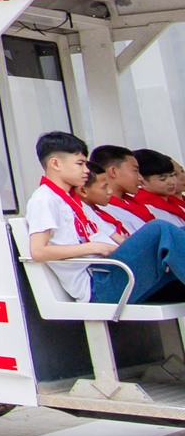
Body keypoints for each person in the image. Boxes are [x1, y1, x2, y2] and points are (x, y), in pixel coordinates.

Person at [26, 130, 185, 305]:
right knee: (160, 228)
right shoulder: (44, 200)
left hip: (113, 270)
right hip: (97, 283)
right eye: (80, 164)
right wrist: (93, 247)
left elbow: (116, 238)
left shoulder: (75, 202)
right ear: (55, 164)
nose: (86, 170)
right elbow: (38, 251)